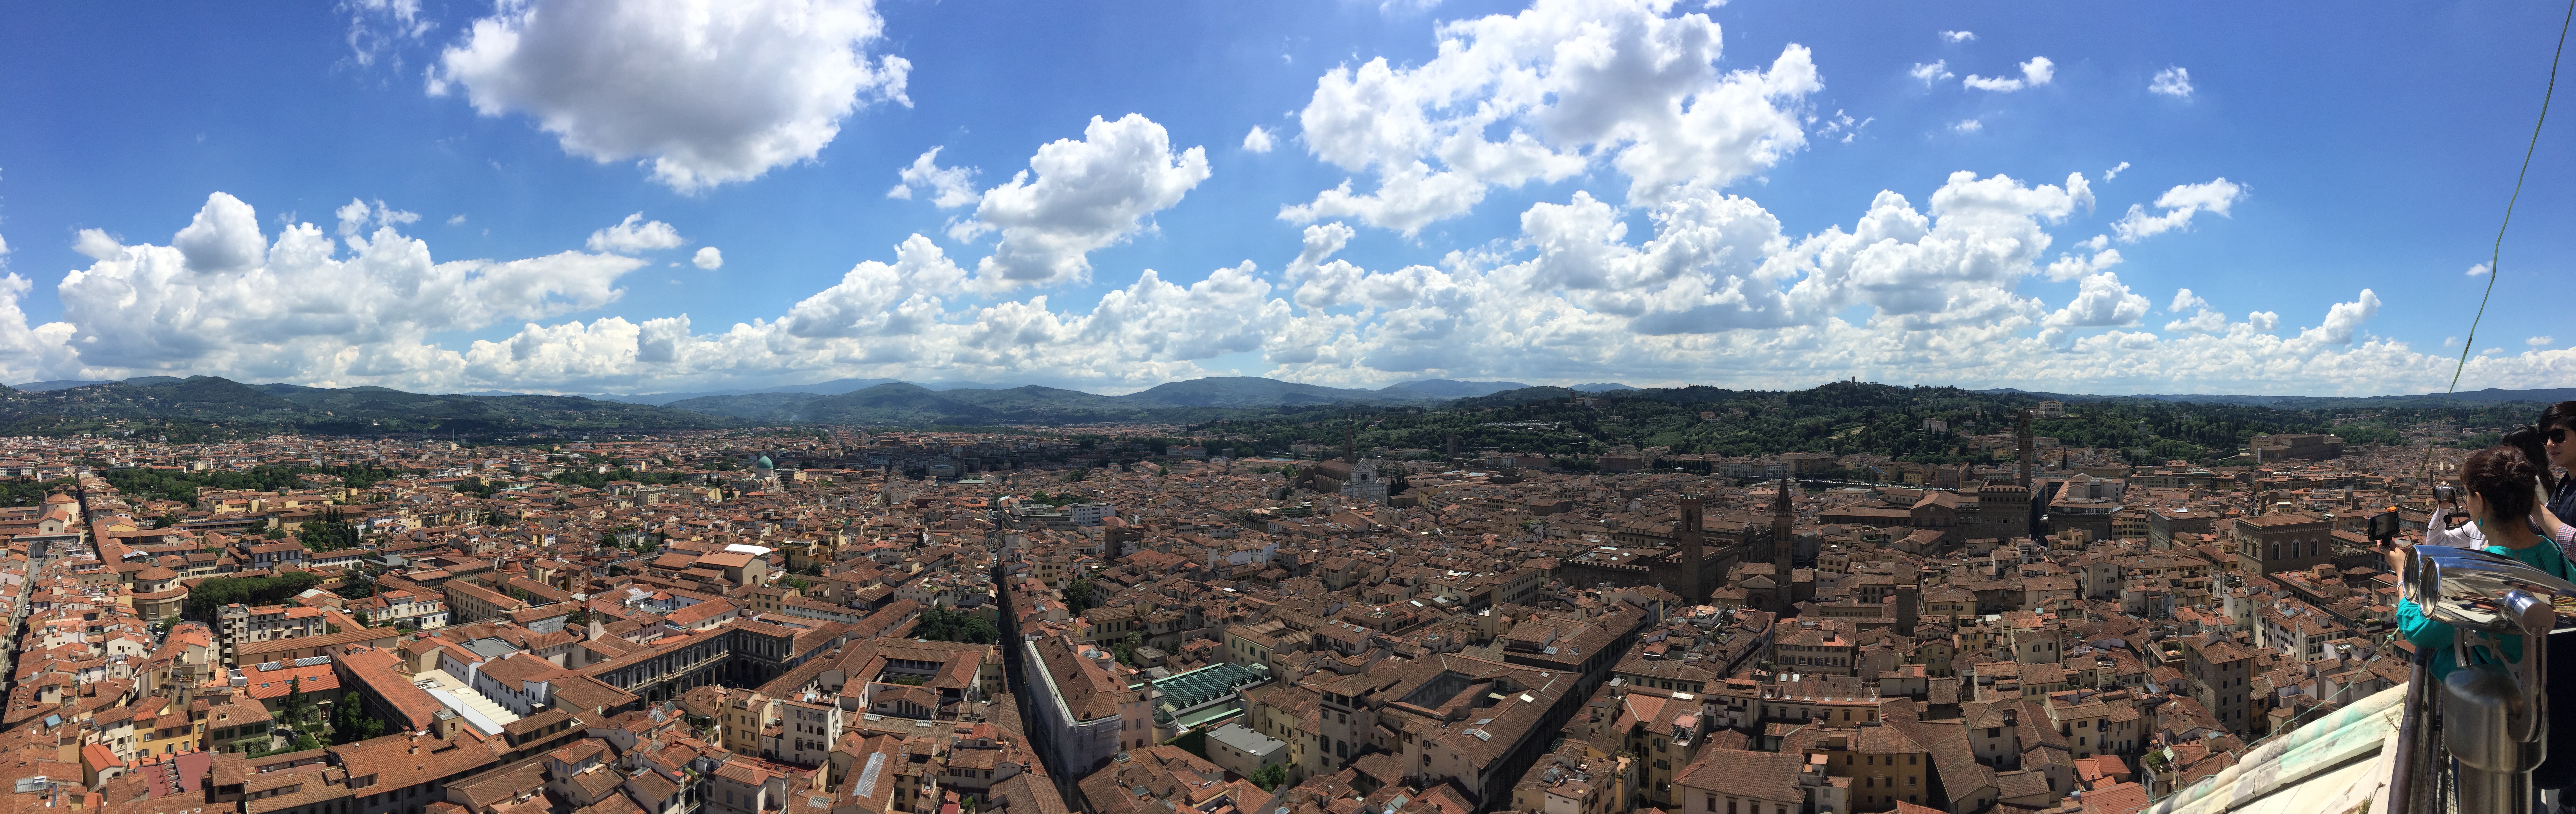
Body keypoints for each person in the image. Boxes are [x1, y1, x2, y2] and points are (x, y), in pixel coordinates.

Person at [2389, 445, 2567, 682]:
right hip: (2550, 691)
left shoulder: (2477, 573)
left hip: (2489, 701)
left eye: (2468, 496)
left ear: (2480, 501)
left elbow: (2419, 631)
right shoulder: (2555, 553)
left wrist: (2403, 573)